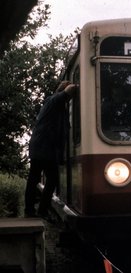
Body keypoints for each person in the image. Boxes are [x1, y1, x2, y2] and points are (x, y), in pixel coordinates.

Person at [24, 81, 77, 218]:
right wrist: (78, 84)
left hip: (43, 147)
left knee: (35, 179)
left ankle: (32, 211)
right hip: (44, 148)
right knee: (48, 179)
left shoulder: (57, 106)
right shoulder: (54, 101)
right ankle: (38, 211)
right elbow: (69, 89)